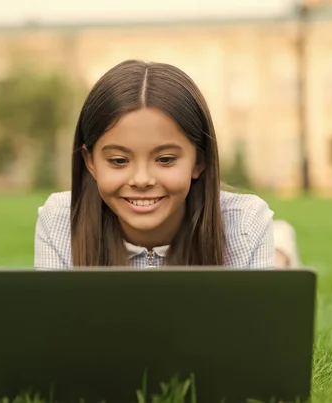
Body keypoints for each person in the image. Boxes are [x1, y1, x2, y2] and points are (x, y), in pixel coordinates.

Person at [34, 60, 275, 270]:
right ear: (90, 162)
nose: (141, 179)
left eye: (165, 159)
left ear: (199, 161)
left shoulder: (245, 224)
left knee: (281, 259)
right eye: (119, 161)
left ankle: (282, 247)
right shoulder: (60, 221)